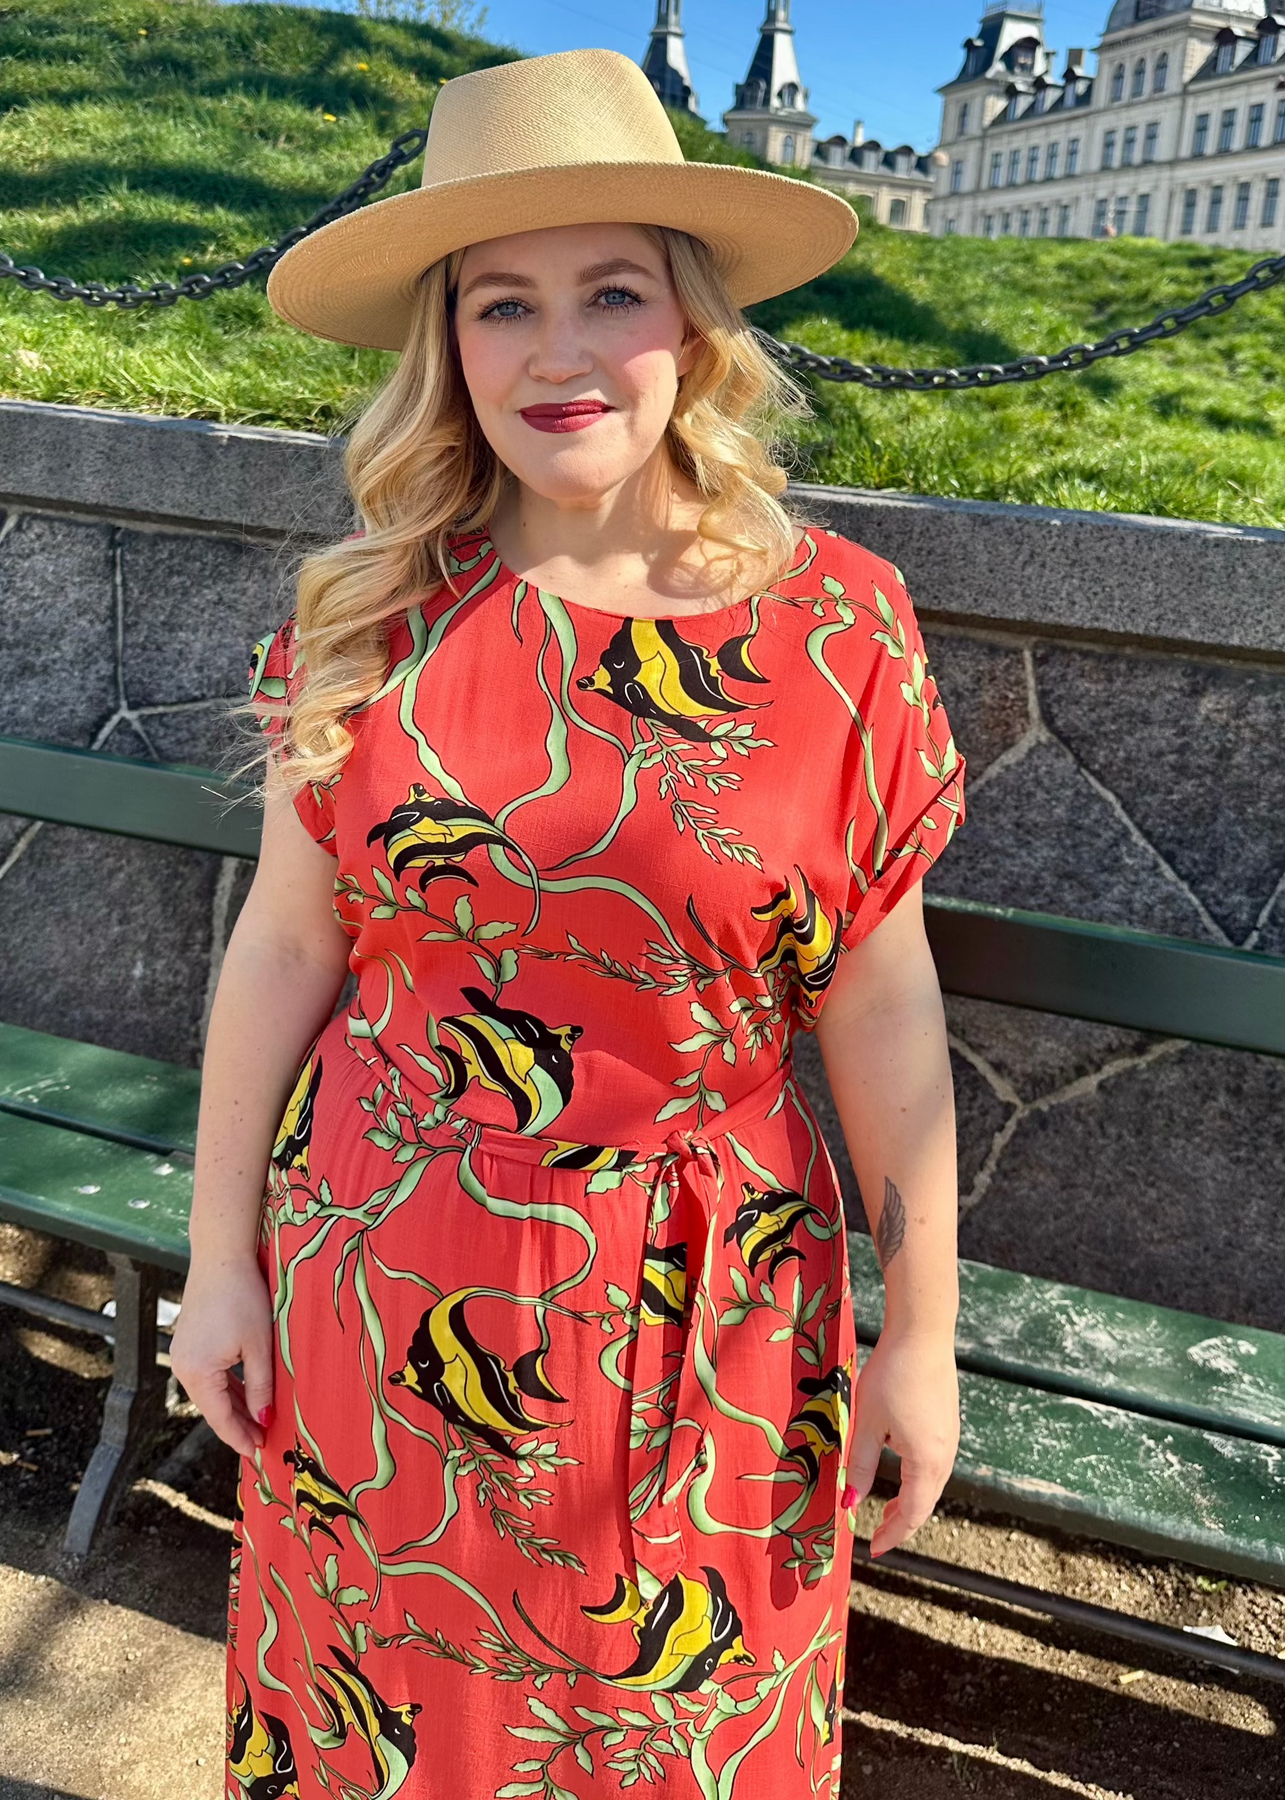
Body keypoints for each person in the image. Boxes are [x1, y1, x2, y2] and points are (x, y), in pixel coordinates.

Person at [169, 47, 967, 1800]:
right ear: (446, 345)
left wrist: (918, 1335)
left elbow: (881, 1005)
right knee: (394, 1731)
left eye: (612, 292)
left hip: (716, 1312)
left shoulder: (842, 629)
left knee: (685, 1740)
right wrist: (217, 1258)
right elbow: (289, 948)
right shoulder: (376, 614)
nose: (558, 352)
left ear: (691, 325)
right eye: (501, 304)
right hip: (385, 1281)